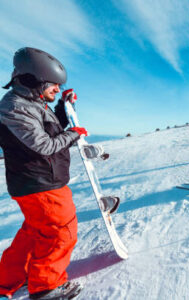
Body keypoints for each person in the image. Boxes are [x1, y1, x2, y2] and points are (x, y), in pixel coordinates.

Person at [0, 47, 86, 300]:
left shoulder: (29, 103)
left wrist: (63, 105)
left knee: (36, 232)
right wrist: (75, 133)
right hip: (40, 184)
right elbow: (44, 145)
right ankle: (46, 288)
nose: (57, 89)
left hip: (39, 182)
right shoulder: (15, 108)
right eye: (53, 85)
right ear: (35, 81)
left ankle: (6, 280)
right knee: (60, 231)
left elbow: (47, 130)